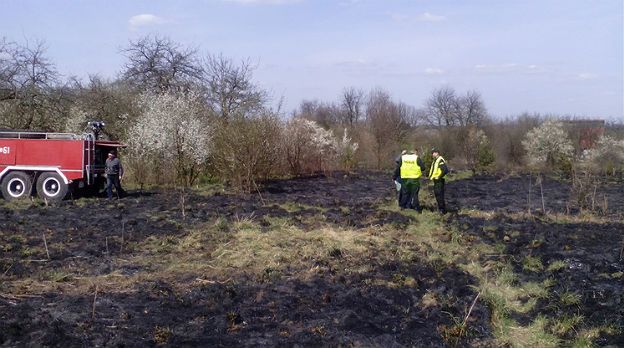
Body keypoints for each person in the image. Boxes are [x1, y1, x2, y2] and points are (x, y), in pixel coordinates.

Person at [429, 148, 449, 214]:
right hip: (436, 181)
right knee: (437, 195)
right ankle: (441, 209)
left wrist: (439, 177)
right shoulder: (435, 160)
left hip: (439, 181)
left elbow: (445, 170)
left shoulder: (440, 160)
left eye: (433, 153)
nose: (432, 154)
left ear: (437, 153)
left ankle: (442, 210)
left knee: (440, 195)